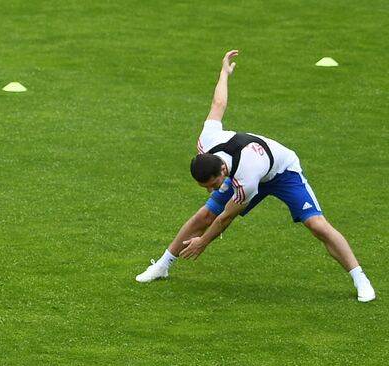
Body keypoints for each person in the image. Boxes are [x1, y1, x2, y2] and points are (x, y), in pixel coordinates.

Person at [137, 50, 374, 303]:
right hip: (250, 172)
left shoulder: (245, 176)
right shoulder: (207, 142)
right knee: (203, 214)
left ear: (223, 171)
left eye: (213, 185)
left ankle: (360, 278)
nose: (211, 190)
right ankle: (162, 265)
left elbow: (226, 218)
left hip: (283, 172)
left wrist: (203, 243)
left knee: (316, 225)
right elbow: (218, 105)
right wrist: (224, 74)